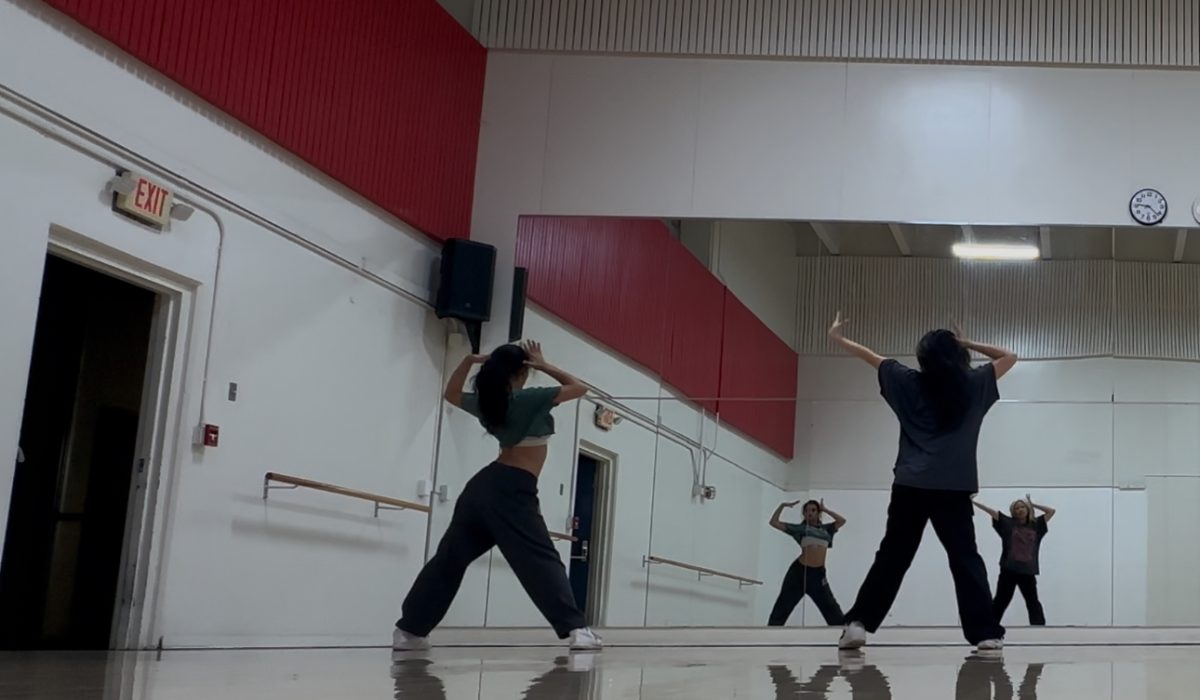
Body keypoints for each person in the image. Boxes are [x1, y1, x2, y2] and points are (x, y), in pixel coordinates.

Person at [393, 341, 602, 652]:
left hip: (482, 488)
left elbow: (451, 394)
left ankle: (409, 631)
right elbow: (579, 387)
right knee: (540, 558)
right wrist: (543, 364)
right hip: (512, 488)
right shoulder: (529, 398)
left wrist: (469, 360)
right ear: (522, 372)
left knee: (450, 560)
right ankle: (576, 630)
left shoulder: (487, 402)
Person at [828, 314, 1017, 652]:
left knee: (893, 557)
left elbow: (869, 355)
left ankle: (857, 625)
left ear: (923, 358)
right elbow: (1009, 356)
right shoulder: (974, 384)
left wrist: (839, 339)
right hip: (954, 487)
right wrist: (968, 342)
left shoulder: (904, 380)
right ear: (958, 356)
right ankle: (985, 633)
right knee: (965, 559)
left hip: (911, 485)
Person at [973, 494, 1055, 626]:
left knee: (1032, 601)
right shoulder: (1008, 523)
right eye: (1016, 508)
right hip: (1008, 571)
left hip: (1028, 572)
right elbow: (989, 511)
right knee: (1001, 601)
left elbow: (1051, 511)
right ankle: (989, 627)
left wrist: (1033, 504)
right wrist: (973, 502)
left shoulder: (1036, 525)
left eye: (1023, 507)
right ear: (1013, 512)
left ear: (1027, 509)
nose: (1020, 510)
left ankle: (1039, 628)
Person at [767, 499, 847, 626]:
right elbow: (774, 522)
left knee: (832, 609)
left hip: (818, 574)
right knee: (783, 606)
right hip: (798, 572)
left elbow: (842, 521)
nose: (809, 513)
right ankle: (769, 636)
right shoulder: (800, 529)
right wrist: (782, 505)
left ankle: (844, 635)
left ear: (818, 513)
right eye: (806, 511)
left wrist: (825, 510)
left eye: (813, 510)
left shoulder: (827, 529)